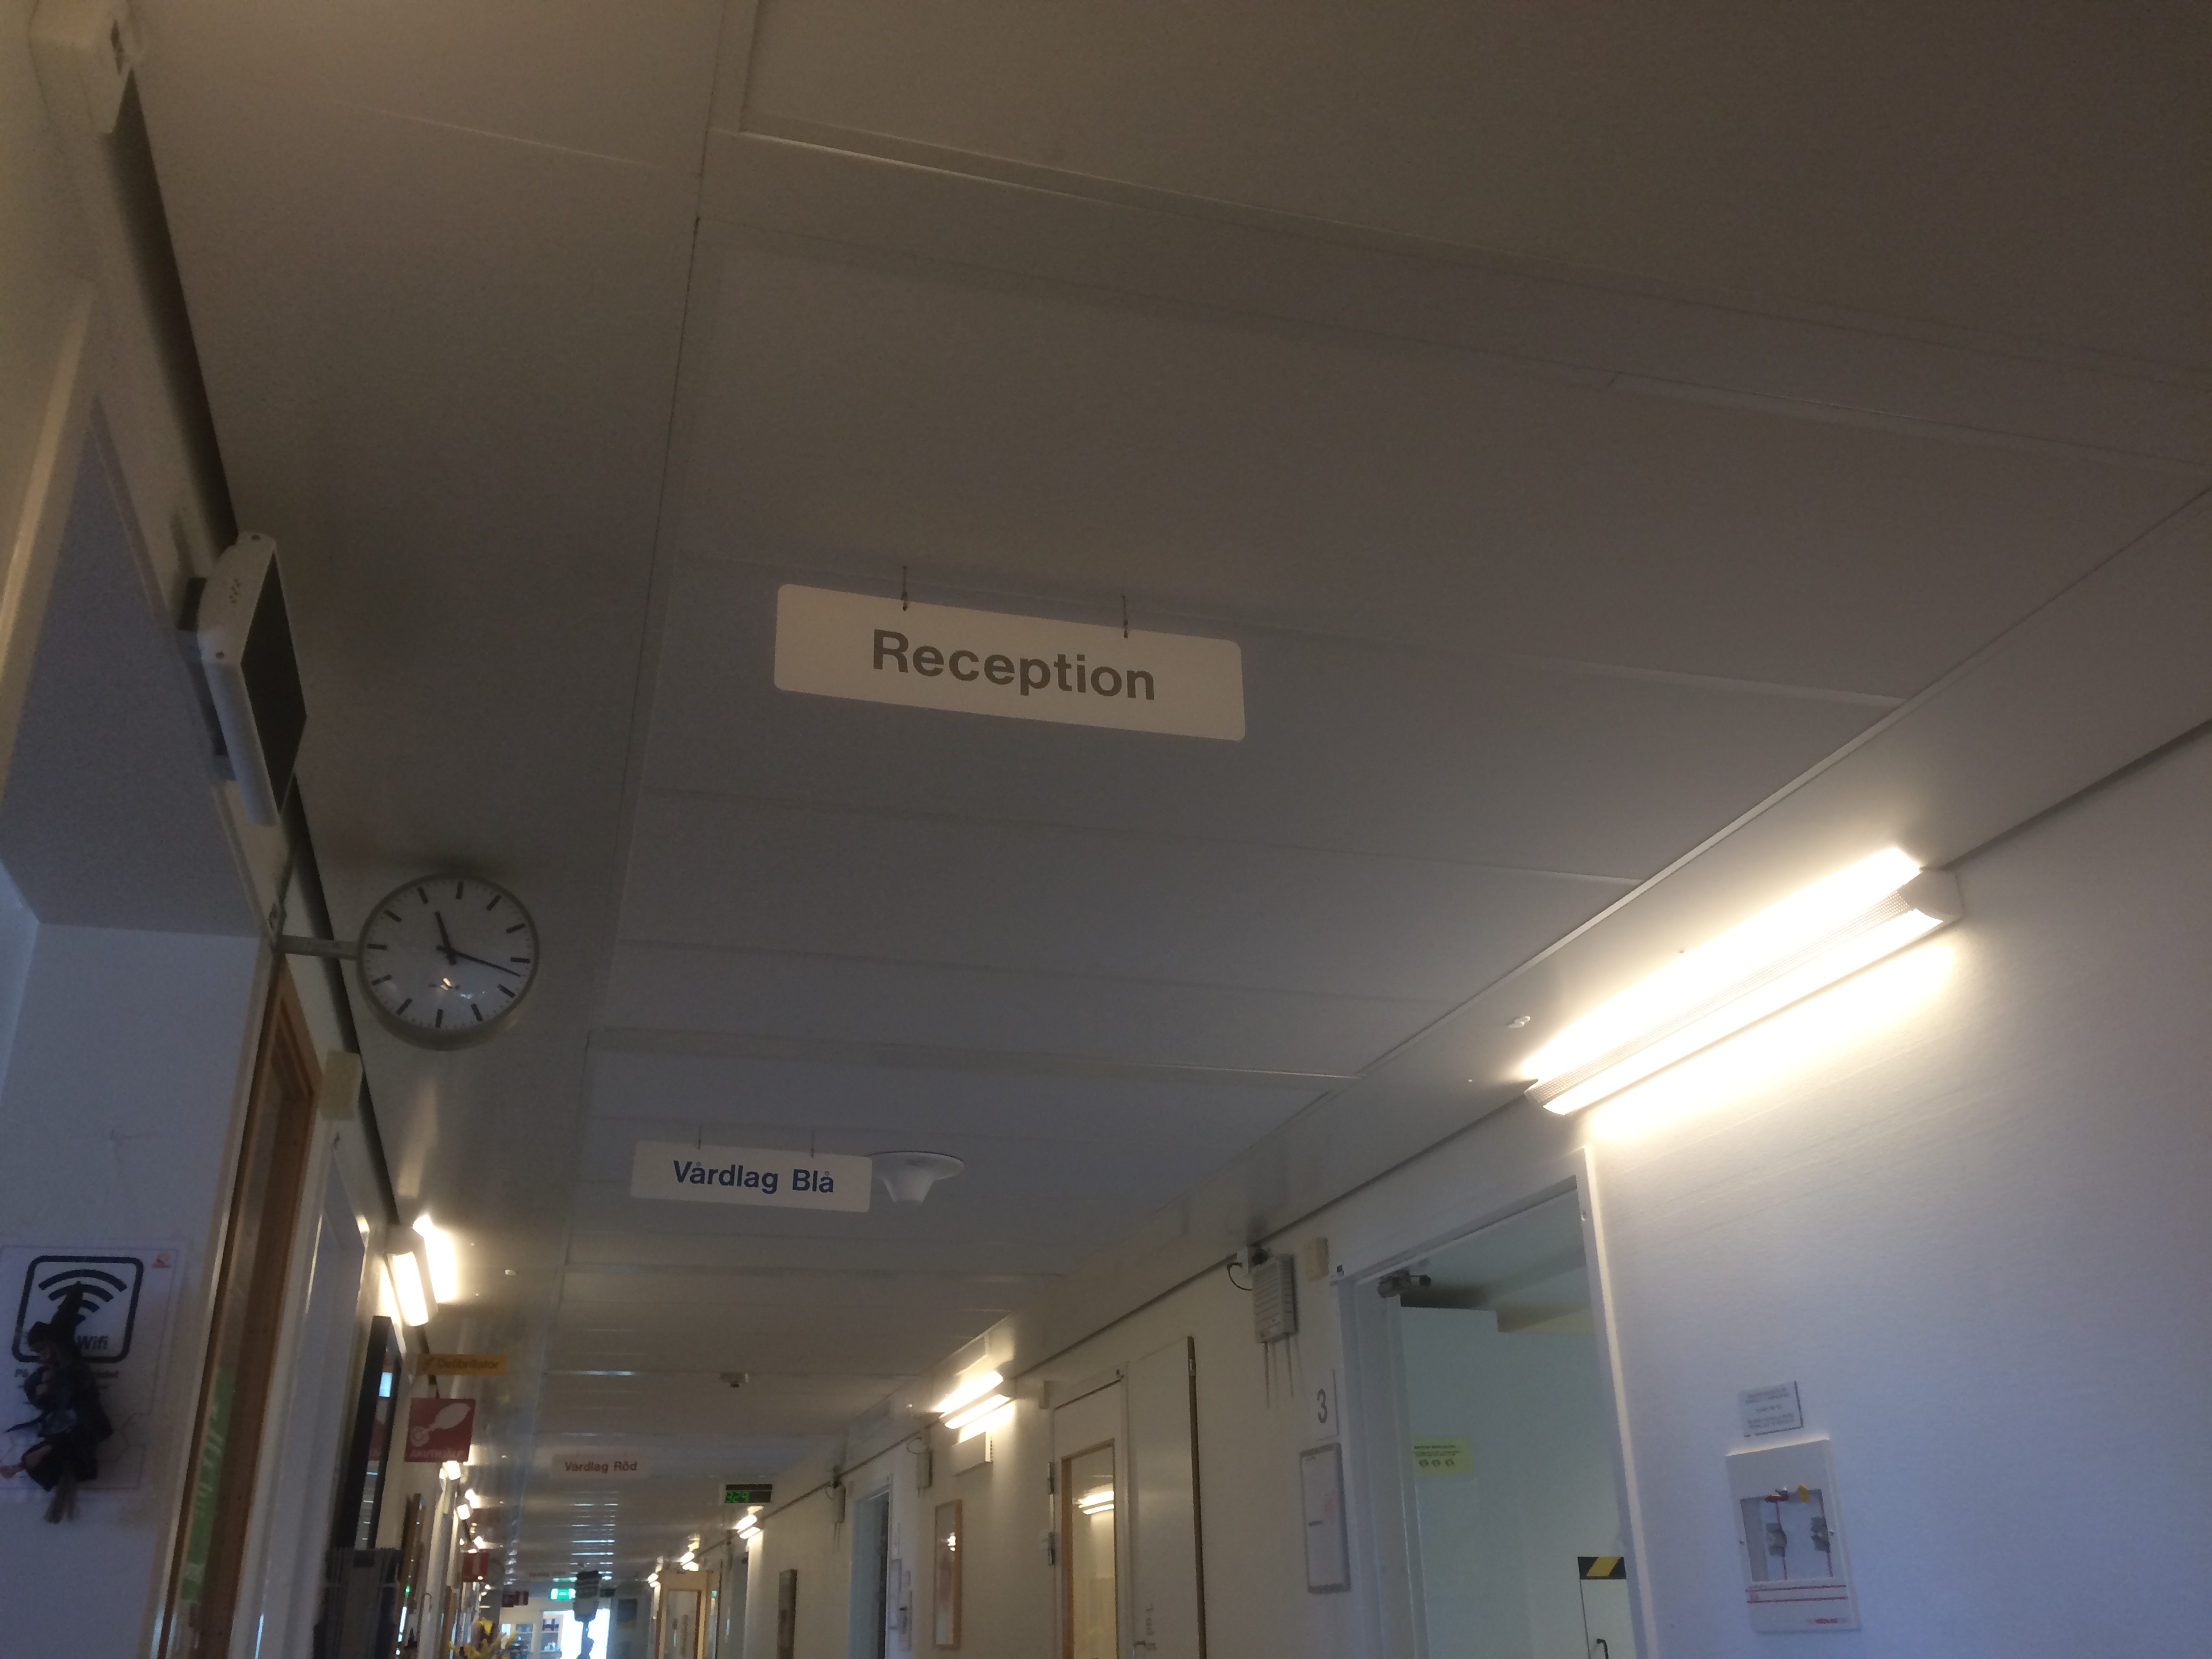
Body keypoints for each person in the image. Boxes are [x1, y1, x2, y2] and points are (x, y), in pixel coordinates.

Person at [0, 1287, 112, 1521]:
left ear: (54, 1345)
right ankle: (28, 1463)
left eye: (43, 1350)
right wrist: (42, 1391)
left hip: (82, 1423)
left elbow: (64, 1331)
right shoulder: (45, 1374)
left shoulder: (71, 1367)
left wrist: (53, 1386)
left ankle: (29, 1462)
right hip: (71, 1428)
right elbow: (42, 1399)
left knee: (52, 1448)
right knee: (50, 1450)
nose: (41, 1357)